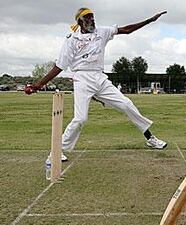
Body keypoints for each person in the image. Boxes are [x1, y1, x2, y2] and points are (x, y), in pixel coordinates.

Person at [25, 8, 168, 161]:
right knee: (80, 119)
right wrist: (38, 85)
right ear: (80, 21)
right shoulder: (72, 40)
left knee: (126, 105)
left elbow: (126, 30)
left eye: (93, 17)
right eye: (88, 18)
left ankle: (150, 139)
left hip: (100, 77)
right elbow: (59, 66)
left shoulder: (102, 32)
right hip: (82, 78)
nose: (92, 20)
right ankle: (56, 152)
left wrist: (149, 21)